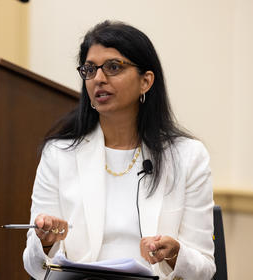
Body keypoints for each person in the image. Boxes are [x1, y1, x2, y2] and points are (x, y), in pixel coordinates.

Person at [23, 20, 215, 280]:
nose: (98, 79)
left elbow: (204, 270)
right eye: (90, 69)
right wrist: (45, 242)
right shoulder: (59, 154)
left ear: (146, 81)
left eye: (113, 67)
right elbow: (34, 267)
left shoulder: (188, 156)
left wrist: (175, 254)